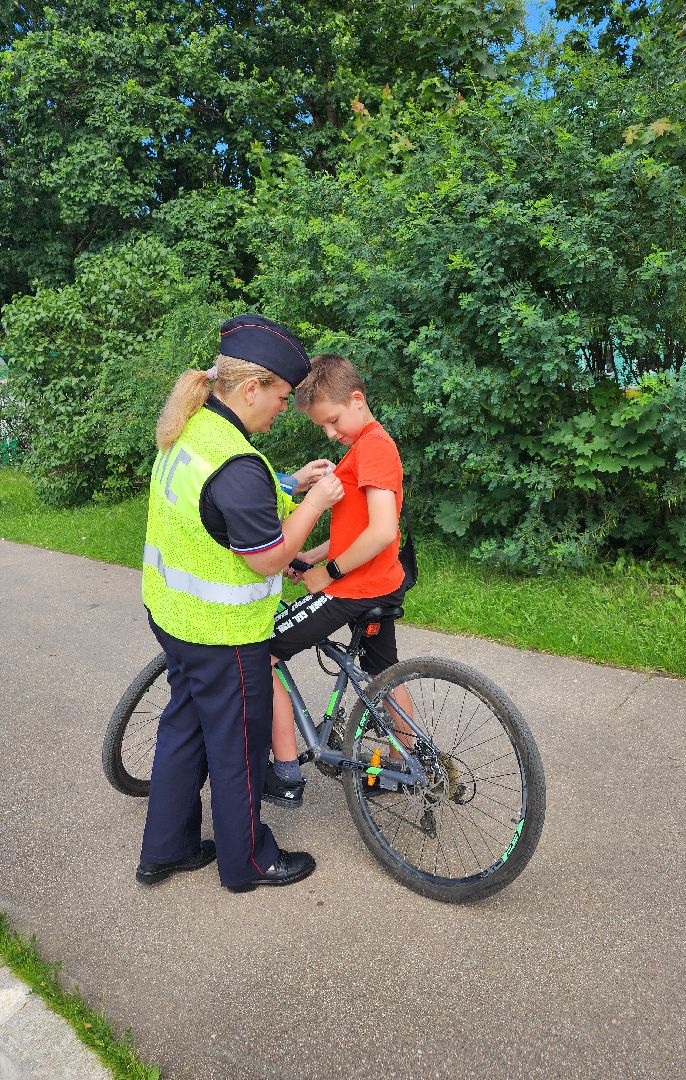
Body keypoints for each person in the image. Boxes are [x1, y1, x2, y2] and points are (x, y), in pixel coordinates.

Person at [136, 315, 343, 892]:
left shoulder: (195, 426)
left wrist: (288, 484)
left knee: (184, 727)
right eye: (280, 396)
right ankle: (248, 861)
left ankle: (168, 849)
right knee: (239, 750)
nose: (282, 408)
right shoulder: (237, 462)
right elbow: (270, 558)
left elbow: (225, 505)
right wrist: (317, 501)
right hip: (222, 634)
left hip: (172, 618)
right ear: (251, 388)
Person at [262, 353, 411, 808]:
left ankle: (284, 771)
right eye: (322, 427)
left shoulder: (376, 448)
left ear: (357, 399)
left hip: (354, 589)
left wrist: (328, 573)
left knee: (259, 646)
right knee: (383, 671)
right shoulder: (363, 448)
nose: (330, 433)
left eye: (332, 421)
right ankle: (408, 757)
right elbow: (360, 527)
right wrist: (312, 554)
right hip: (377, 582)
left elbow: (384, 531)